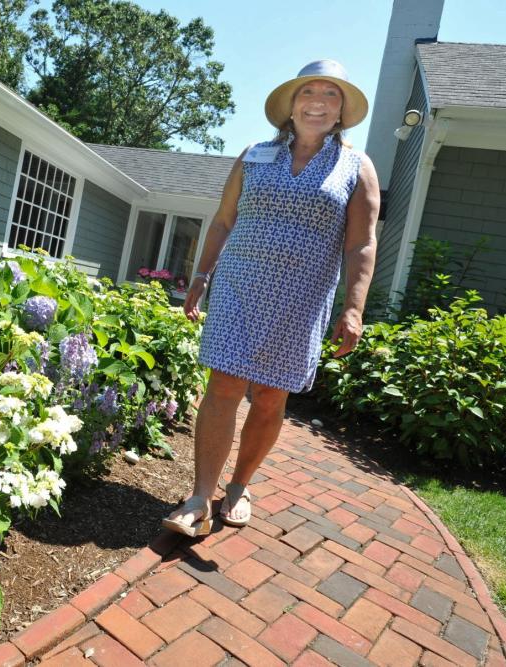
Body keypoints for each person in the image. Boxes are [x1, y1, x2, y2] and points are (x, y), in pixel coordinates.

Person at [162, 60, 380, 537]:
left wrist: (354, 307)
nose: (318, 102)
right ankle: (200, 496)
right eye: (309, 92)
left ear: (342, 110)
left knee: (268, 396)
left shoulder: (356, 166)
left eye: (331, 94)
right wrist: (201, 275)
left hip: (300, 300)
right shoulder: (254, 154)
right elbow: (222, 221)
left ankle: (238, 486)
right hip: (239, 287)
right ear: (291, 103)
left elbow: (361, 243)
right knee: (222, 387)